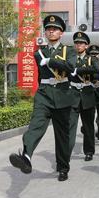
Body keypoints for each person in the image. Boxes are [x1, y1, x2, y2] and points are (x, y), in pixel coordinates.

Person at [9, 15, 76, 181]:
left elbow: (70, 67)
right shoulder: (39, 52)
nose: (51, 31)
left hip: (62, 94)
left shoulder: (70, 50)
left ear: (61, 33)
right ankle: (26, 156)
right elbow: (41, 71)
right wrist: (49, 61)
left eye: (55, 29)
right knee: (35, 125)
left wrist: (51, 61)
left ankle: (63, 167)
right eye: (48, 29)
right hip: (44, 93)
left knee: (62, 135)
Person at [68, 32, 99, 162]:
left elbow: (96, 70)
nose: (78, 45)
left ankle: (89, 151)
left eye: (81, 43)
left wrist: (79, 71)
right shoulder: (70, 59)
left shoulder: (92, 59)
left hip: (87, 95)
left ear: (87, 46)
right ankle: (66, 151)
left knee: (88, 126)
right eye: (76, 43)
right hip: (73, 95)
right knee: (70, 126)